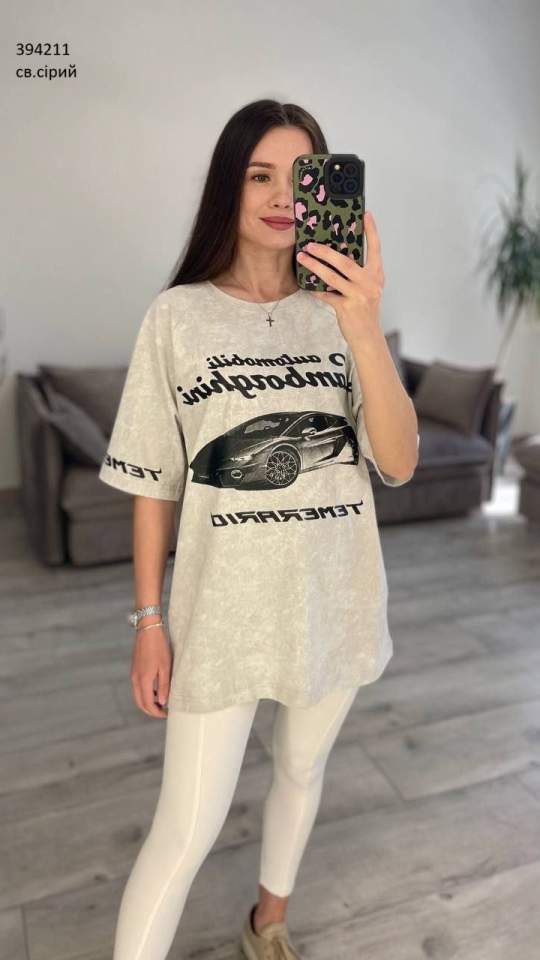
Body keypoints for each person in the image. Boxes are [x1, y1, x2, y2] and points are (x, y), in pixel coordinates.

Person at [99, 98, 419, 960]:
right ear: (228, 188)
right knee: (185, 829)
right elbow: (153, 483)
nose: (282, 196)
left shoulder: (343, 313)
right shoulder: (178, 316)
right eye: (259, 174)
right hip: (222, 610)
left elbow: (397, 462)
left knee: (302, 768)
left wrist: (363, 324)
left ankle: (267, 923)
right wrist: (149, 621)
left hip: (334, 592)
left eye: (301, 176)